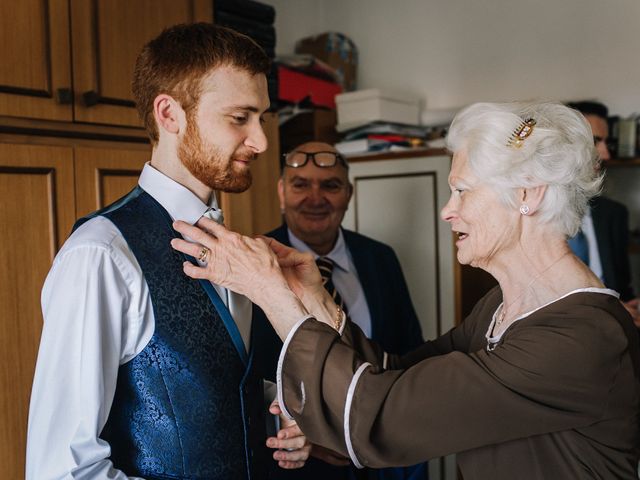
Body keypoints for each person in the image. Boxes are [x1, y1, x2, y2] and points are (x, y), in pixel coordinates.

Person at [171, 101, 640, 479]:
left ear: (527, 195)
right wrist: (312, 297)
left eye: (462, 191)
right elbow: (394, 372)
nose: (447, 211)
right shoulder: (502, 304)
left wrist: (269, 291)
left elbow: (383, 414)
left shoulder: (579, 337)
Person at [26, 23, 309, 480]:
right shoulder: (100, 255)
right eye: (240, 118)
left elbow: (215, 384)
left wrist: (279, 416)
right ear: (170, 114)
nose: (260, 142)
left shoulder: (235, 247)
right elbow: (61, 470)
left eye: (262, 119)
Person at [252, 141, 426, 479]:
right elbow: (246, 375)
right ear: (282, 193)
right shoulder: (256, 264)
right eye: (300, 184)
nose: (315, 198)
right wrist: (310, 435)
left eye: (330, 185)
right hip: (298, 462)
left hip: (385, 453)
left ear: (348, 193)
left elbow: (410, 350)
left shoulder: (381, 258)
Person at [566, 101, 639, 326]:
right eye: (596, 141)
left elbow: (622, 289)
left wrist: (631, 308)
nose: (606, 154)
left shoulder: (615, 214)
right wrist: (610, 312)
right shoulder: (529, 216)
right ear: (565, 145)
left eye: (606, 142)